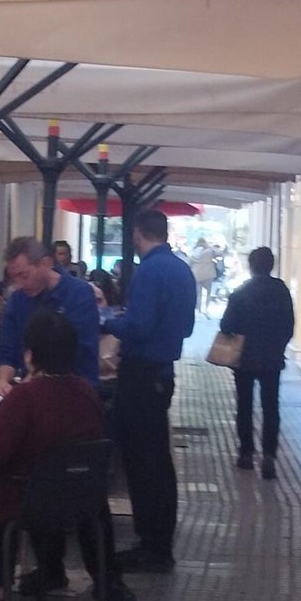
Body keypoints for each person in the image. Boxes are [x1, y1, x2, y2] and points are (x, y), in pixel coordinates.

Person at [0, 308, 134, 601]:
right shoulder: (87, 393)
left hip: (27, 502)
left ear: (30, 354)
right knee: (40, 479)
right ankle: (55, 572)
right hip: (80, 501)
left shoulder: (24, 398)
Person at [104, 215, 197, 574]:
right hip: (162, 373)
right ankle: (160, 542)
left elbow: (138, 327)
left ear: (138, 234)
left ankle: (152, 547)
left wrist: (107, 320)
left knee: (141, 463)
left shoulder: (149, 271)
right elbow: (186, 326)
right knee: (157, 461)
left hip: (141, 375)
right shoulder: (181, 270)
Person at [218, 246, 296, 480]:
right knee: (271, 406)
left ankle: (246, 453)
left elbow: (226, 326)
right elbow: (289, 325)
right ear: (271, 265)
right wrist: (279, 347)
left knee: (244, 405)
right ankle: (269, 455)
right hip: (272, 359)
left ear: (251, 266)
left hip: (244, 358)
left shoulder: (241, 292)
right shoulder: (281, 291)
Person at [0, 238, 102, 387]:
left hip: (75, 389)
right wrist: (2, 381)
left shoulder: (79, 294)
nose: (19, 284)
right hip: (30, 389)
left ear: (46, 263)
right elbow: (8, 351)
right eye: (14, 278)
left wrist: (24, 389)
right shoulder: (17, 300)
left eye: (24, 276)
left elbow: (75, 353)